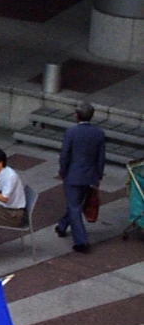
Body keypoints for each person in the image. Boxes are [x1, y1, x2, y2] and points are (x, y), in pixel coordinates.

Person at [55, 102, 106, 253]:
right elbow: (101, 157)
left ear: (76, 116)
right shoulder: (99, 133)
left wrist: (63, 171)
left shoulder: (71, 132)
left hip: (73, 174)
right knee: (75, 203)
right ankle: (62, 226)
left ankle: (81, 241)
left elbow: (65, 155)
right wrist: (98, 176)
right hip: (90, 175)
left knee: (74, 206)